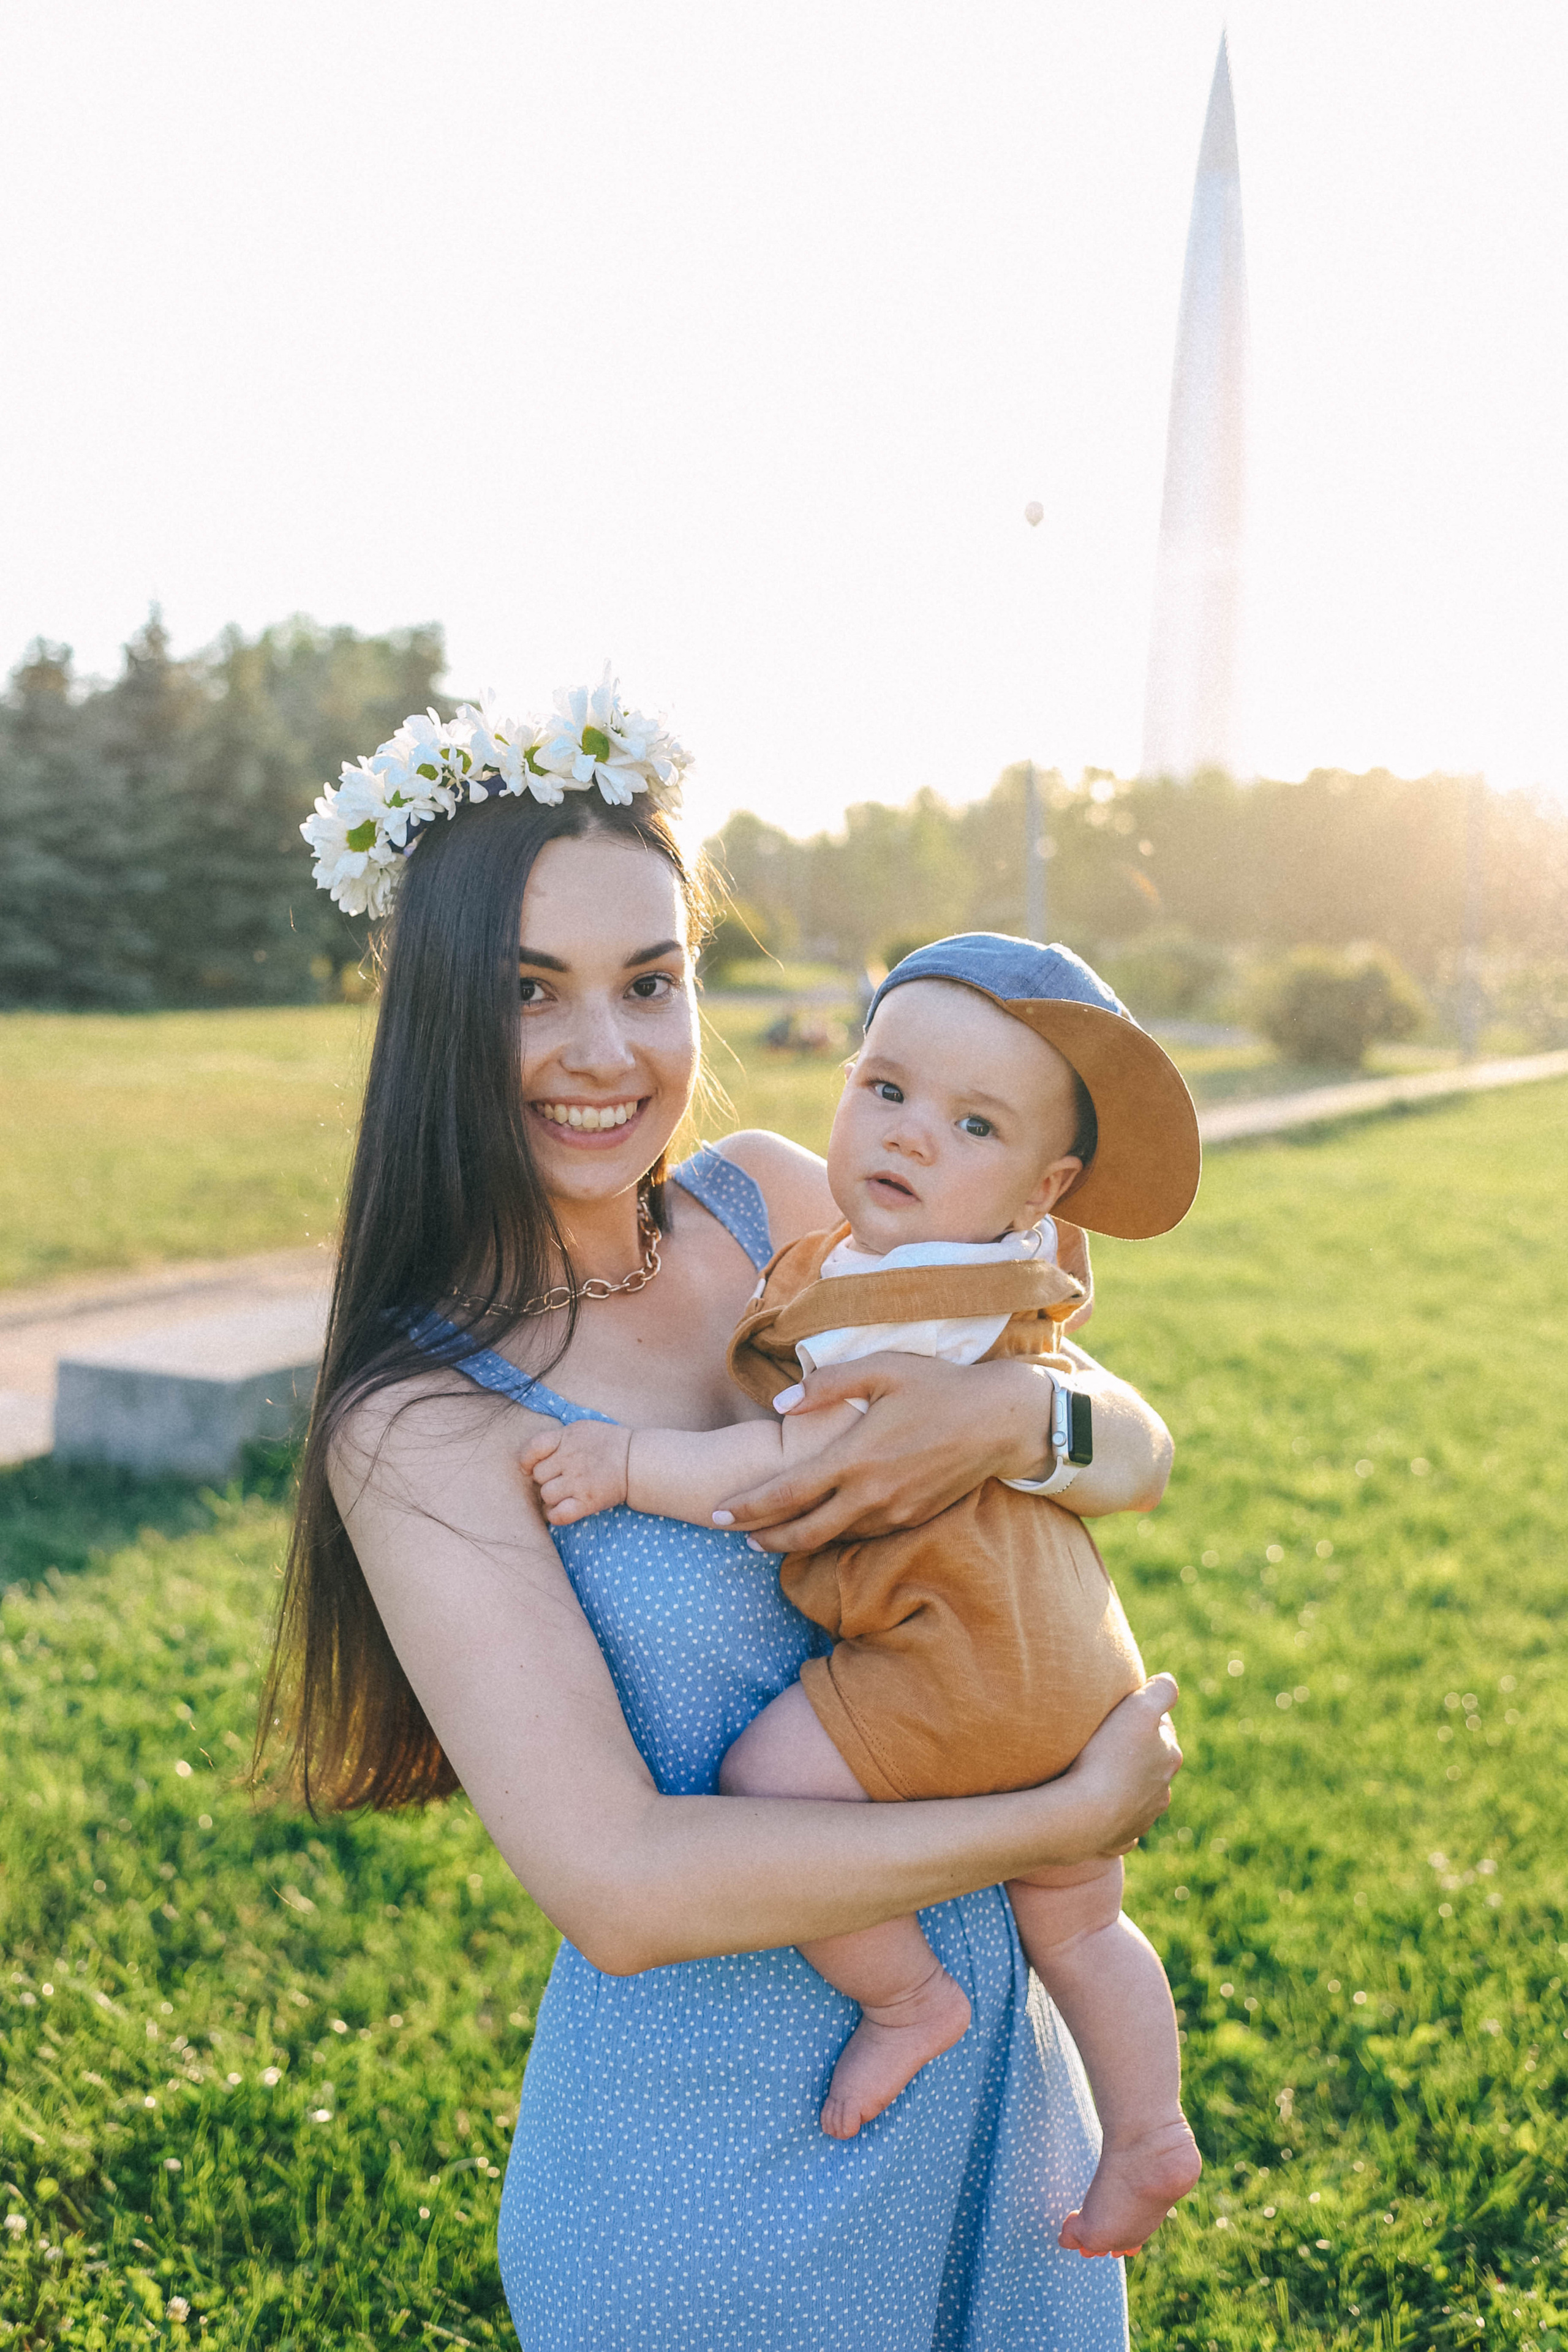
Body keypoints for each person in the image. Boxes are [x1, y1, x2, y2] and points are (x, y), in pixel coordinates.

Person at [270, 682, 1185, 2350]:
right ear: (419, 1011)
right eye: (527, 993)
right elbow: (622, 1890)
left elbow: (1132, 1449)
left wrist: (1008, 1415)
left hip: (1006, 2107)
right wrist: (1058, 1826)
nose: (605, 1054)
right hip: (710, 2191)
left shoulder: (783, 1198)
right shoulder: (421, 1426)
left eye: (649, 981)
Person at [521, 935, 1204, 2256]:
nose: (909, 1139)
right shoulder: (971, 1273)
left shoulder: (905, 1299)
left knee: (773, 1780)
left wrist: (629, 1464)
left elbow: (792, 1465)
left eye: (972, 1124)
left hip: (953, 1654)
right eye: (883, 1089)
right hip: (1068, 1657)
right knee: (1080, 1915)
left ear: (1042, 1186)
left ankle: (906, 2001)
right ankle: (1149, 2126)